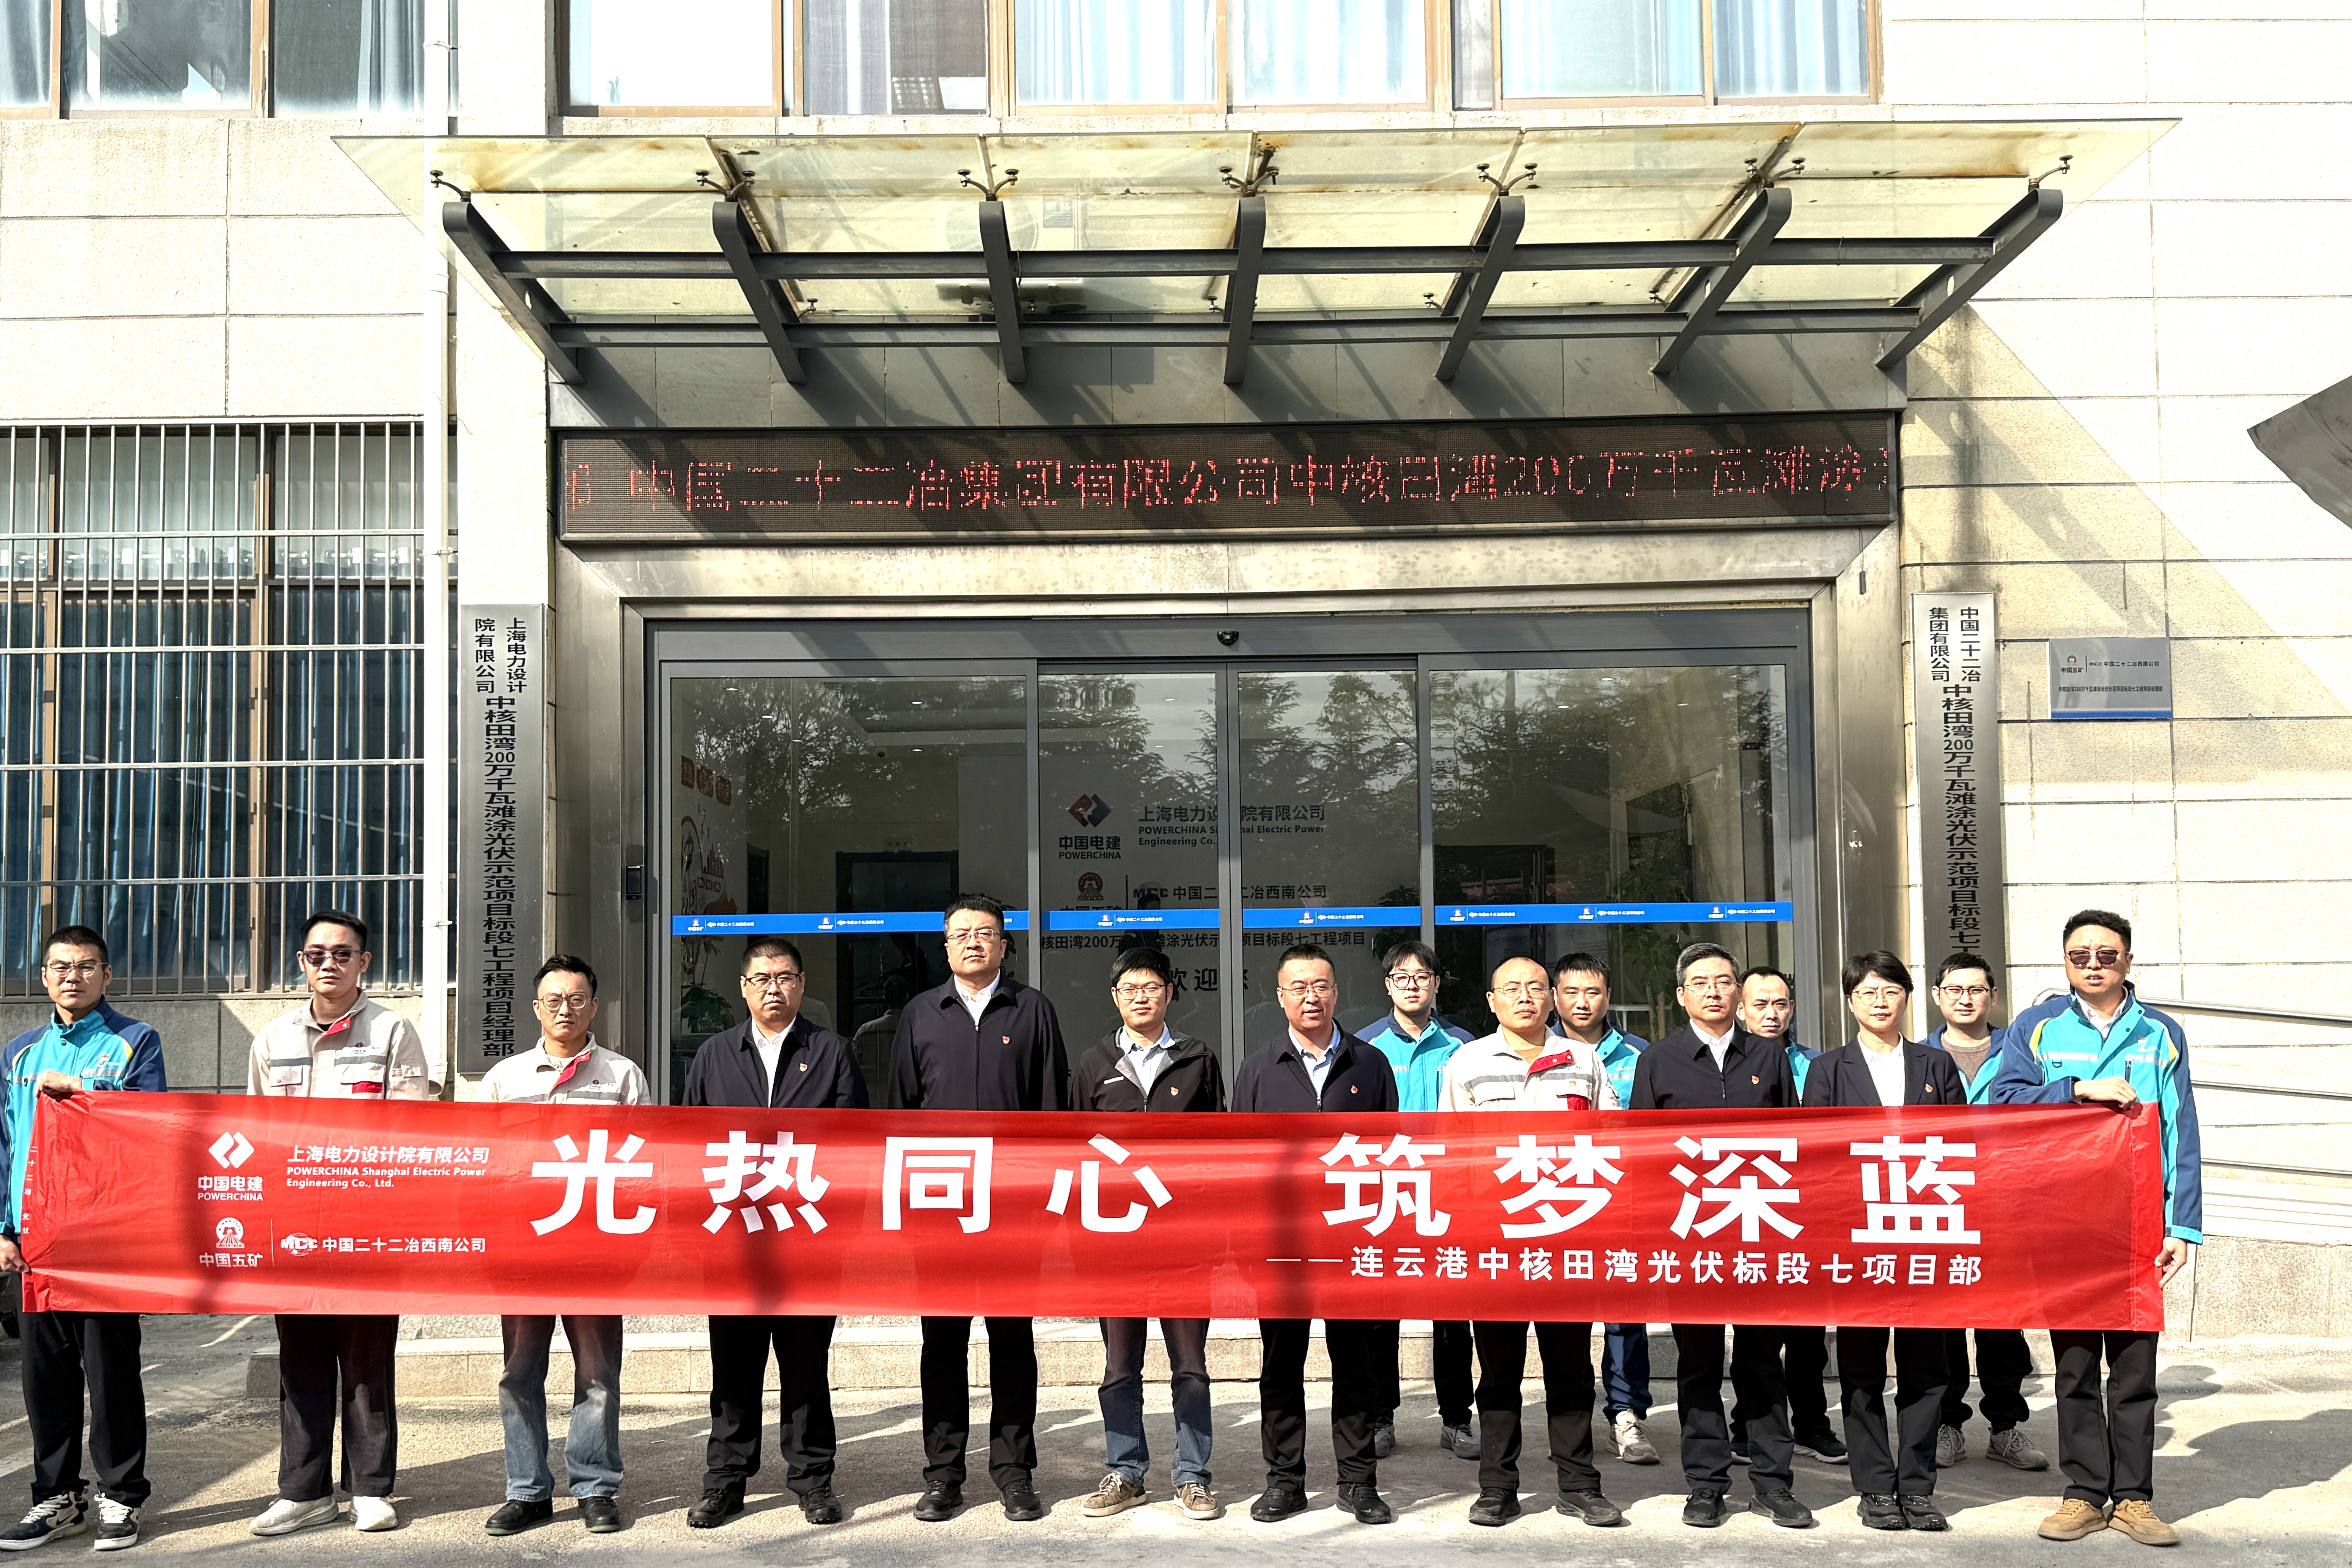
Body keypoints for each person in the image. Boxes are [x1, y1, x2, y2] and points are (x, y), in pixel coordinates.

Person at [1992, 910, 2200, 1549]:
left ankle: (2134, 1497)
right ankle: (2084, 1493)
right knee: (2075, 1365)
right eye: (2079, 954)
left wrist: (2181, 1225)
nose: (2092, 964)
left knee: (2135, 1370)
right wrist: (2077, 1089)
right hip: (2065, 1218)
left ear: (2128, 961)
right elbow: (2004, 1102)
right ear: (2064, 962)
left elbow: (2181, 1131)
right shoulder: (2037, 1026)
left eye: (2106, 954)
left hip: (2137, 1223)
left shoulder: (2160, 1033)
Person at [246, 910, 434, 1536]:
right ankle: (303, 1492)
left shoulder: (392, 1031)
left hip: (368, 1223)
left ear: (364, 962)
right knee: (299, 1358)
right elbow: (256, 1133)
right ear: (302, 962)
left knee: (366, 1359)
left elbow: (411, 1130)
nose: (330, 963)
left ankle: (370, 1489)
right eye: (317, 954)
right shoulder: (272, 1039)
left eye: (343, 953)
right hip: (293, 1225)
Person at [890, 897, 1069, 1524]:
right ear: (944, 946)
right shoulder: (920, 1013)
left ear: (1003, 944)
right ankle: (943, 1474)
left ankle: (1014, 1471)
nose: (973, 942)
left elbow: (1052, 1111)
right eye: (961, 933)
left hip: (1012, 1207)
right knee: (942, 1342)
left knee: (1012, 1339)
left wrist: (1044, 1202)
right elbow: (901, 1112)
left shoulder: (1032, 1010)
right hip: (938, 1204)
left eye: (985, 932)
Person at [681, 936, 870, 1530]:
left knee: (805, 1365)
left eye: (785, 977)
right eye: (761, 978)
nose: (773, 988)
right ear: (743, 988)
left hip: (807, 1238)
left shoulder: (832, 1052)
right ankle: (725, 1481)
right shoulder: (713, 1055)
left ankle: (813, 1480)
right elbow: (691, 1147)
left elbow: (855, 1146)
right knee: (733, 1366)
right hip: (734, 1241)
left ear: (802, 984)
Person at [1629, 943, 1812, 1530]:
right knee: (1699, 1364)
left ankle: (1773, 1483)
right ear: (1681, 995)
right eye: (1701, 982)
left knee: (1762, 1364)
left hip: (1759, 1232)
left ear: (1739, 991)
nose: (1713, 990)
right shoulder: (1658, 1059)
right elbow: (1642, 1155)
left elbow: (1794, 1145)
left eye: (1724, 980)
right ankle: (1705, 1484)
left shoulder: (1768, 1055)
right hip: (1691, 1238)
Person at [1440, 956, 1626, 1531]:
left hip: (1568, 1240)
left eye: (1536, 987)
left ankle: (1579, 1483)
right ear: (1491, 1001)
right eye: (1512, 988)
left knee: (1570, 1368)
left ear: (1551, 998)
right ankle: (1497, 1487)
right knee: (1499, 1371)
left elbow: (1614, 1141)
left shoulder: (1583, 1060)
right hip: (1495, 1242)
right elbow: (1451, 1154)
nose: (1525, 996)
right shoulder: (1468, 1061)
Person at [0, 925, 167, 1553]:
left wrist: (87, 1092)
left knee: (111, 1370)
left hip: (106, 1237)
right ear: (44, 976)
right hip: (35, 1242)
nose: (73, 976)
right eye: (61, 966)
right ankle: (57, 1497)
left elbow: (153, 1122)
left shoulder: (135, 1041)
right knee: (45, 1377)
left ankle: (121, 1495)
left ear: (107, 975)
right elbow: (5, 1146)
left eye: (87, 965)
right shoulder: (19, 1053)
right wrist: (3, 1228)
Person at [476, 955, 647, 1537]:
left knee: (597, 1373)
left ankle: (595, 1487)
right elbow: (482, 1164)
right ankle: (527, 1490)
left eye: (576, 999)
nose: (565, 1009)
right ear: (536, 1008)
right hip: (522, 1251)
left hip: (595, 1249)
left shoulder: (622, 1076)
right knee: (519, 1371)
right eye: (554, 1000)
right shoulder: (505, 1079)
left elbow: (646, 1164)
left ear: (594, 1006)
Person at [1230, 943, 1400, 1526]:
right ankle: (1285, 1481)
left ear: (1336, 992)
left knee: (1356, 1366)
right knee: (1281, 1366)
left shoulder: (1370, 1064)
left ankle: (1358, 1481)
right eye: (1299, 986)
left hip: (1351, 1242)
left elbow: (1390, 1156)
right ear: (1279, 996)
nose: (1311, 996)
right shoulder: (1258, 1069)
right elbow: (1241, 1164)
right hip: (1282, 1247)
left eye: (1321, 985)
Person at [1802, 952, 1963, 1532]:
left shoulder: (1935, 1064)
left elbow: (1960, 1145)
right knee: (1862, 1368)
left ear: (1906, 997)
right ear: (1850, 1001)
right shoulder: (1827, 1070)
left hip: (1924, 1234)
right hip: (1857, 1238)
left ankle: (1917, 1488)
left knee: (1926, 1369)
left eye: (1890, 990)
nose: (1879, 1001)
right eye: (1867, 991)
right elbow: (1816, 1155)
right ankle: (1874, 1487)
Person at [1070, 947, 1226, 1523]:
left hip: (1183, 1240)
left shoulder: (1196, 1058)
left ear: (1170, 993)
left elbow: (1217, 1149)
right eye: (1130, 988)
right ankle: (1126, 1471)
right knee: (1120, 1366)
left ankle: (1192, 1476)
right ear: (1115, 997)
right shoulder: (1093, 1064)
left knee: (1191, 1365)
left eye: (1152, 986)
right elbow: (1074, 1152)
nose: (1141, 996)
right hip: (1114, 1241)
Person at [1927, 953, 2048, 1474]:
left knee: (2002, 1320)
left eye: (1975, 989)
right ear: (1936, 996)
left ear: (1992, 996)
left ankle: (2004, 1427)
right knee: (1946, 1321)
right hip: (1941, 1201)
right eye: (1954, 989)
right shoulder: (1919, 1056)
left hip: (2006, 1201)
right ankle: (1947, 1425)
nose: (1965, 998)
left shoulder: (2021, 1051)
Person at [1356, 940, 1476, 1461]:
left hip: (1449, 1194)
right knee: (1381, 1313)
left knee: (1452, 1314)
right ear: (1387, 985)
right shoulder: (1365, 1045)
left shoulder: (1463, 1045)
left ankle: (1456, 1418)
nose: (1412, 984)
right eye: (1401, 976)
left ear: (1436, 983)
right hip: (1387, 1194)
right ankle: (1381, 1415)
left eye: (1421, 976)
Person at [1731, 965, 1844, 1469]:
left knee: (1807, 1332)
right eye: (1760, 1004)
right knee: (1754, 1330)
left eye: (1780, 1003)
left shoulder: (1818, 1065)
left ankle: (1811, 1424)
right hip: (1748, 1208)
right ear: (1741, 1009)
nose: (1771, 1013)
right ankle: (1747, 1423)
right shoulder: (1728, 1064)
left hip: (1808, 1211)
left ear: (1792, 1008)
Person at [1547, 952, 1656, 1467]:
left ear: (1608, 997)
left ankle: (1626, 1413)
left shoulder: (1640, 1054)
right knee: (1556, 1314)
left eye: (1592, 991)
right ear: (1554, 997)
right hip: (1551, 1201)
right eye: (1570, 992)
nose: (1581, 1002)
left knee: (1623, 1312)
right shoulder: (1537, 1052)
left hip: (1621, 1201)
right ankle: (1564, 1420)